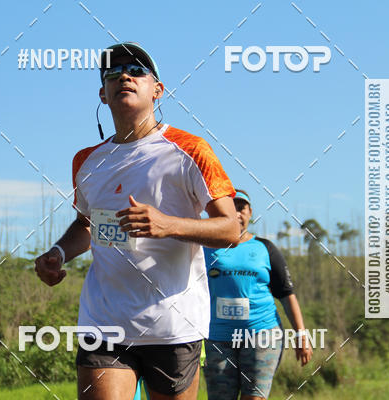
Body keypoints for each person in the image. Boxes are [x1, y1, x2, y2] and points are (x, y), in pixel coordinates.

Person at [34, 42, 240, 400]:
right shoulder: (86, 161)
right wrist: (59, 253)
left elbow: (231, 228)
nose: (124, 77)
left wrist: (168, 225)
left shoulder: (190, 149)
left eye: (136, 71)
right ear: (103, 94)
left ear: (157, 90)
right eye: (113, 73)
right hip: (104, 322)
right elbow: (86, 224)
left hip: (173, 325)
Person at [203, 189, 312, 400]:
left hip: (262, 334)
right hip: (217, 337)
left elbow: (286, 294)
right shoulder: (205, 248)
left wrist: (301, 335)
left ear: (250, 212)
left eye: (241, 208)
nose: (236, 213)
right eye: (230, 208)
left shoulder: (264, 248)